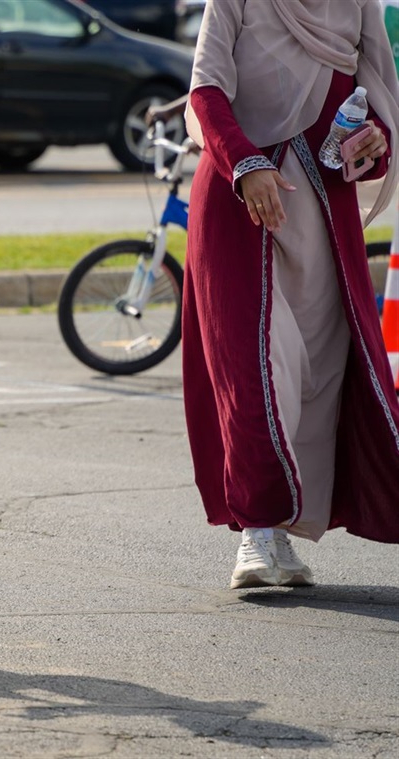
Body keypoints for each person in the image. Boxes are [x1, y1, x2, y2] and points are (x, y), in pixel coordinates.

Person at [182, 0, 399, 589]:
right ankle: (256, 533)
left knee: (320, 373)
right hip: (240, 197)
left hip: (322, 206)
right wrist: (245, 164)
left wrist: (371, 137)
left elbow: (376, 93)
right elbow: (205, 90)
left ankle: (282, 527)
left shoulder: (359, 4)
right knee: (252, 369)